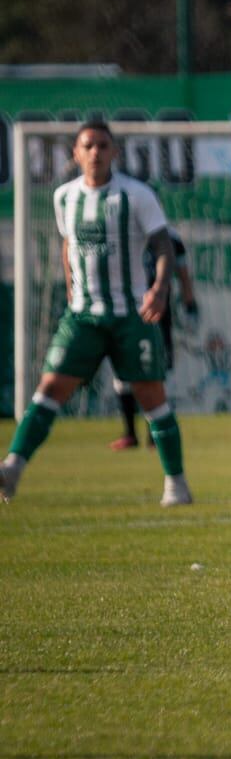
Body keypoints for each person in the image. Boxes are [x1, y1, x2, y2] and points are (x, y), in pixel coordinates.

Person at [1, 121, 193, 506]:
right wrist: (72, 288)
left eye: (103, 146)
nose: (95, 153)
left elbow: (163, 246)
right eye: (87, 146)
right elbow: (68, 245)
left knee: (151, 396)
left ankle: (177, 485)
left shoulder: (136, 195)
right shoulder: (64, 197)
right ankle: (12, 469)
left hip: (131, 315)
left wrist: (160, 288)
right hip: (83, 317)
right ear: (75, 153)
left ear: (114, 153)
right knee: (50, 388)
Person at [110, 227, 198, 449]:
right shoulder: (121, 232)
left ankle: (154, 434)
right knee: (123, 374)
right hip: (125, 314)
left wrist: (190, 306)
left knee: (157, 373)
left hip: (158, 315)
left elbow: (183, 273)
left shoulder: (171, 238)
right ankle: (130, 433)